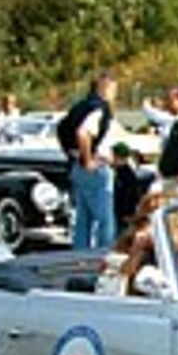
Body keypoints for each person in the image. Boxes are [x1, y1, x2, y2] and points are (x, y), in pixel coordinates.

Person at [65, 71, 119, 250]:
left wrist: (74, 155)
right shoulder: (99, 108)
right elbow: (83, 133)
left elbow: (62, 129)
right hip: (95, 168)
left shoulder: (79, 106)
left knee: (83, 220)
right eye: (113, 89)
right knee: (105, 221)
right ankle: (104, 255)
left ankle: (80, 256)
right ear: (105, 88)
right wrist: (88, 159)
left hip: (76, 166)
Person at [110, 141, 155, 230]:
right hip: (121, 212)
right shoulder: (121, 171)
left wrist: (126, 214)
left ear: (119, 157)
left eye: (113, 156)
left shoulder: (127, 175)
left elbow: (129, 195)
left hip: (124, 213)